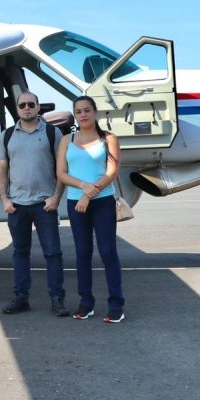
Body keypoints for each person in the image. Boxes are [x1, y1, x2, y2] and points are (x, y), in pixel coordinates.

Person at [0, 91, 69, 317]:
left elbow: (62, 168)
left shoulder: (51, 132)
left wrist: (56, 197)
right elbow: (1, 169)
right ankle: (21, 298)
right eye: (22, 105)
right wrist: (5, 200)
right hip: (17, 206)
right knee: (20, 253)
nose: (26, 108)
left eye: (31, 104)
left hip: (44, 204)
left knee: (53, 253)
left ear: (38, 107)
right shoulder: (7, 135)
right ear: (17, 109)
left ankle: (57, 299)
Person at [55, 95, 125, 323]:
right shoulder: (67, 140)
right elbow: (61, 174)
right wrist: (83, 189)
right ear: (74, 115)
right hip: (76, 204)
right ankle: (86, 303)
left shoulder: (109, 138)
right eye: (78, 111)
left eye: (87, 110)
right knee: (82, 253)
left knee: (107, 252)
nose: (83, 114)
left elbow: (112, 172)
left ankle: (116, 305)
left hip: (103, 202)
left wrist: (89, 194)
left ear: (95, 112)